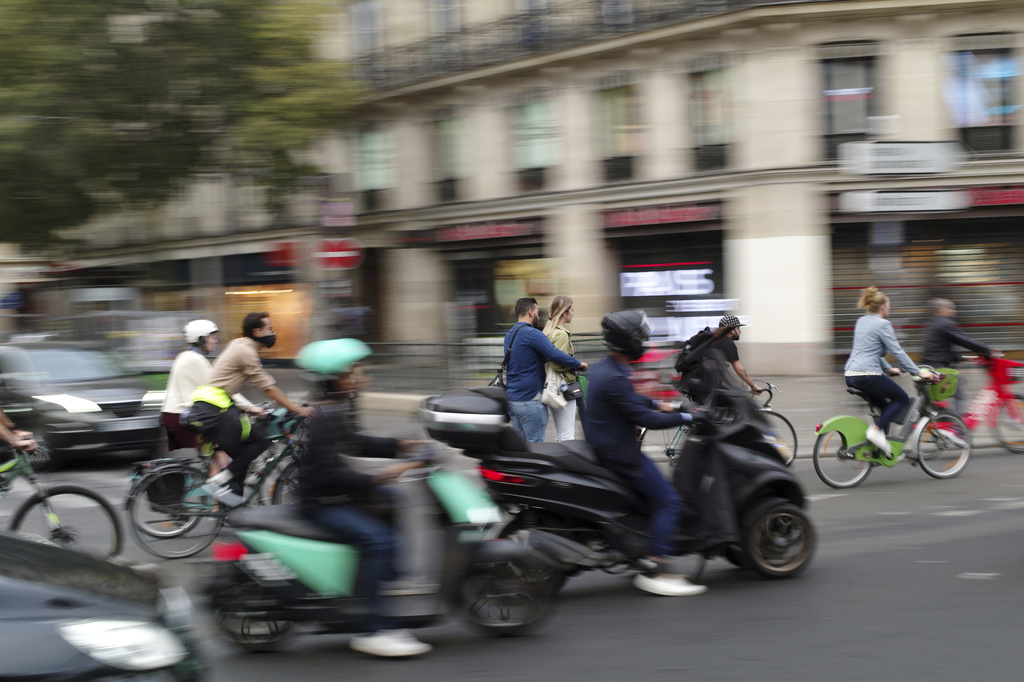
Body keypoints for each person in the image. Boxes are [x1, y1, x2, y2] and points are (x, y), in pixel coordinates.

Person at [295, 338, 431, 658]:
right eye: (352, 374)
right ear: (332, 380)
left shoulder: (333, 410)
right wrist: (380, 476)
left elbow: (356, 443)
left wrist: (401, 445)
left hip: (334, 494)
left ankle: (383, 580)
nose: (359, 379)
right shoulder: (324, 418)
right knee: (379, 540)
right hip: (321, 504)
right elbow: (328, 475)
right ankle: (373, 628)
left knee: (392, 499)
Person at [585, 310, 706, 597]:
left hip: (607, 446)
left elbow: (631, 400)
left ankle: (640, 548)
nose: (644, 342)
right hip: (619, 454)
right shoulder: (615, 376)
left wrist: (662, 404)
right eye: (640, 338)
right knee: (670, 502)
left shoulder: (605, 369)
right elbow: (646, 420)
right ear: (628, 342)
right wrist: (688, 418)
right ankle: (659, 567)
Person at [188, 312, 315, 507]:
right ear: (257, 331)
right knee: (260, 441)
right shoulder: (246, 351)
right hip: (214, 408)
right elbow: (268, 387)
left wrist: (252, 408)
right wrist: (296, 408)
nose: (273, 332)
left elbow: (231, 382)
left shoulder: (239, 344)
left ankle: (232, 507)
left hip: (215, 405)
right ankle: (219, 482)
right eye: (270, 329)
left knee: (243, 458)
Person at [845, 287, 937, 456]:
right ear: (882, 306)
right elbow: (898, 352)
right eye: (889, 304)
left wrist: (888, 369)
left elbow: (867, 350)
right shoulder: (883, 324)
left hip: (851, 375)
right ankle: (877, 431)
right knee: (901, 398)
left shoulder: (862, 321)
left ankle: (880, 450)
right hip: (867, 375)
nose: (890, 307)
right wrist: (918, 372)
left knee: (885, 407)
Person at [161, 320, 255, 475]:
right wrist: (249, 407)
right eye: (212, 337)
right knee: (221, 453)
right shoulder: (195, 359)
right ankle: (222, 492)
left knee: (215, 455)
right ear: (201, 339)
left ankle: (216, 489)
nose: (216, 341)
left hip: (178, 415)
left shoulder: (187, 356)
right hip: (185, 416)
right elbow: (221, 388)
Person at [504, 297, 586, 443]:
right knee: (536, 450)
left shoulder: (510, 335)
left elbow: (527, 359)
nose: (538, 315)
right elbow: (554, 355)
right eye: (536, 311)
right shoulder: (533, 334)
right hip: (530, 401)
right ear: (530, 312)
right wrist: (577, 363)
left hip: (512, 401)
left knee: (522, 450)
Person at [921, 298, 994, 415]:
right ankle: (958, 426)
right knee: (959, 389)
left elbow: (939, 347)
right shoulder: (945, 323)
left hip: (930, 367)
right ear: (941, 310)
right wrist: (988, 350)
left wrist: (959, 358)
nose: (954, 312)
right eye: (951, 308)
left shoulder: (934, 322)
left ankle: (944, 419)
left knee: (940, 398)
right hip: (938, 369)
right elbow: (965, 340)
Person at [542, 295, 582, 441]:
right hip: (563, 387)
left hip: (552, 387)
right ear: (564, 312)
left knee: (561, 435)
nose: (573, 313)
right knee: (567, 436)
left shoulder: (548, 332)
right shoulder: (561, 334)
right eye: (571, 310)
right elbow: (558, 363)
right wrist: (574, 362)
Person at [710, 315, 762, 396]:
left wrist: (742, 386)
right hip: (710, 386)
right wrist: (754, 386)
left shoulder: (715, 340)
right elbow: (740, 371)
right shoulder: (727, 343)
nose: (740, 332)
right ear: (732, 330)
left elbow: (723, 372)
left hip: (704, 383)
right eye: (738, 328)